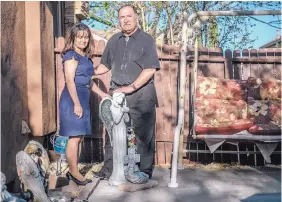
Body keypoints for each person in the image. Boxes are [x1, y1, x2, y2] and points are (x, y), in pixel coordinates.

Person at [94, 4, 160, 180]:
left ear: (136, 17)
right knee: (112, 131)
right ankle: (109, 169)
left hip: (141, 95)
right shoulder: (113, 40)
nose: (126, 20)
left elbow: (150, 69)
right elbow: (104, 66)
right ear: (119, 20)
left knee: (142, 134)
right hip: (117, 94)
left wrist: (131, 87)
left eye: (129, 16)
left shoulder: (147, 40)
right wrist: (89, 71)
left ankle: (144, 171)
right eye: (122, 17)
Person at [59, 23, 109, 185]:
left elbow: (88, 81)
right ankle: (74, 172)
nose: (83, 40)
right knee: (74, 138)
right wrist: (77, 104)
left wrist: (103, 94)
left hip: (82, 98)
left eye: (86, 37)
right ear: (73, 38)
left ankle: (73, 170)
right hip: (72, 99)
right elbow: (69, 81)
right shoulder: (71, 56)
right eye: (80, 37)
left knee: (78, 137)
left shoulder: (85, 58)